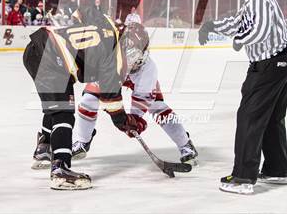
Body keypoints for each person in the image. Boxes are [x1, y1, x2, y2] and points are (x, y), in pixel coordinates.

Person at [198, 0, 287, 194]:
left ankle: (243, 177)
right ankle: (276, 170)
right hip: (282, 63)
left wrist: (242, 40)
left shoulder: (257, 0)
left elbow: (257, 30)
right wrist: (213, 26)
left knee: (249, 118)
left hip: (269, 66)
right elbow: (239, 21)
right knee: (271, 119)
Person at [23, 5, 143, 190]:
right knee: (64, 113)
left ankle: (44, 148)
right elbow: (111, 99)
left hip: (36, 48)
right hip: (53, 57)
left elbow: (82, 11)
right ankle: (60, 169)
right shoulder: (115, 55)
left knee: (55, 107)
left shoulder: (107, 25)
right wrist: (124, 121)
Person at [70, 22, 198, 164]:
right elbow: (107, 96)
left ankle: (185, 143)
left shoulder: (148, 68)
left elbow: (142, 100)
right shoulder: (107, 56)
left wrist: (134, 121)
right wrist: (116, 112)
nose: (137, 61)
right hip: (112, 72)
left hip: (132, 77)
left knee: (158, 107)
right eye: (133, 54)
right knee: (88, 100)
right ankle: (82, 141)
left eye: (141, 53)